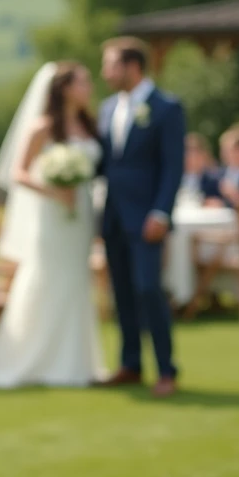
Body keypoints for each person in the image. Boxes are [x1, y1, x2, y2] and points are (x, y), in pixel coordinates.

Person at [0, 62, 106, 389]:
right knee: (47, 279)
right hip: (52, 218)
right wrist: (55, 191)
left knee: (77, 282)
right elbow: (17, 173)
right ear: (64, 89)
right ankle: (37, 358)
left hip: (80, 218)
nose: (89, 88)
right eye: (83, 82)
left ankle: (76, 361)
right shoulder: (42, 127)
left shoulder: (88, 126)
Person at [96, 37, 185, 398]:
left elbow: (173, 166)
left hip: (148, 218)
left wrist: (161, 212)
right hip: (114, 218)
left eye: (110, 65)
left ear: (132, 67)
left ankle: (166, 370)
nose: (105, 73)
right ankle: (130, 365)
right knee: (121, 293)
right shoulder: (106, 109)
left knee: (148, 289)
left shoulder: (166, 107)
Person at [181, 132, 220, 201]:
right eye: (189, 156)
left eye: (197, 156)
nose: (193, 161)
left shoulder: (215, 182)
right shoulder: (172, 180)